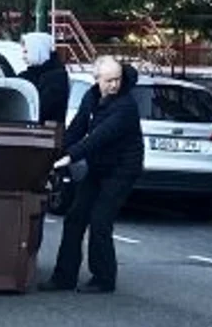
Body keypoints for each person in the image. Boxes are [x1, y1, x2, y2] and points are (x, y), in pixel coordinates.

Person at [42, 56, 144, 294]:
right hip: (99, 168)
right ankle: (63, 277)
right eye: (109, 80)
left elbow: (100, 137)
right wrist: (56, 151)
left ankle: (104, 278)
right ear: (97, 79)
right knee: (75, 217)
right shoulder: (91, 96)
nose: (114, 85)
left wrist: (71, 157)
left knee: (100, 221)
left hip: (121, 170)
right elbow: (78, 128)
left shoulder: (125, 106)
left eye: (117, 80)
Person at [18, 31, 70, 126]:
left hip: (45, 134)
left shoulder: (56, 78)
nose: (23, 57)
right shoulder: (29, 76)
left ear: (37, 50)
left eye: (26, 52)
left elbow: (42, 110)